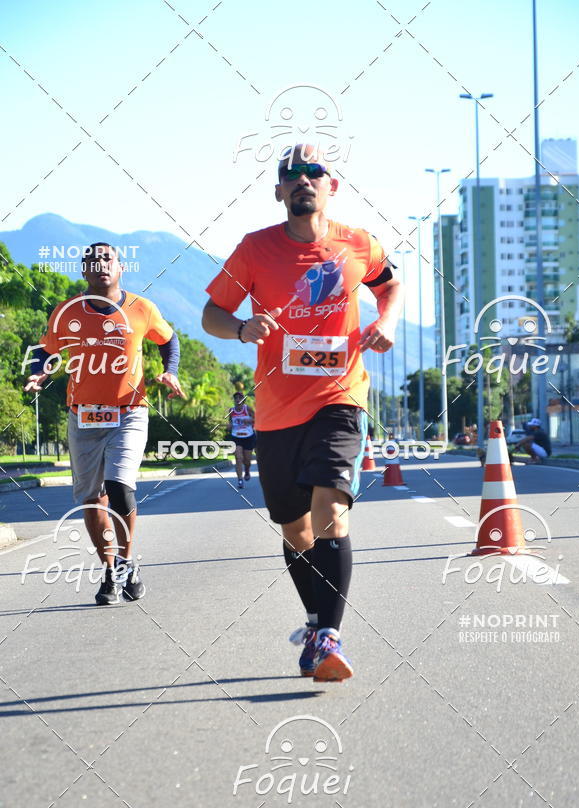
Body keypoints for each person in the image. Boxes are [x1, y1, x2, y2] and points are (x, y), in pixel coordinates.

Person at [202, 145, 401, 682]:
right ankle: (316, 624)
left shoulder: (357, 243)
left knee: (329, 510)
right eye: (291, 174)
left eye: (314, 172)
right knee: (295, 530)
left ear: (330, 186)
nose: (302, 180)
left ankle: (330, 637)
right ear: (278, 191)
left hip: (340, 396)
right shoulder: (254, 250)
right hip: (275, 411)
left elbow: (391, 284)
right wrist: (242, 328)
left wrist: (388, 320)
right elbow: (212, 313)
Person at [24, 242, 185, 605]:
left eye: (107, 259)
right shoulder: (67, 312)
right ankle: (111, 571)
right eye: (92, 261)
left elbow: (169, 339)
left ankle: (127, 563)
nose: (101, 265)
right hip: (82, 416)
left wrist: (170, 371)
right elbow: (47, 351)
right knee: (91, 500)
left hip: (129, 412)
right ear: (83, 271)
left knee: (119, 486)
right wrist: (39, 375)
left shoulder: (141, 308)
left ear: (120, 266)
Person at [228, 391, 255, 488]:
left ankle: (247, 471)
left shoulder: (248, 409)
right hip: (236, 437)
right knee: (238, 458)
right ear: (234, 400)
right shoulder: (231, 410)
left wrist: (250, 420)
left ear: (243, 399)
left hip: (248, 436)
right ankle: (240, 480)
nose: (238, 400)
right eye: (236, 398)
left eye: (240, 398)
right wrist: (229, 426)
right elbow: (230, 422)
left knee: (247, 460)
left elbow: (257, 419)